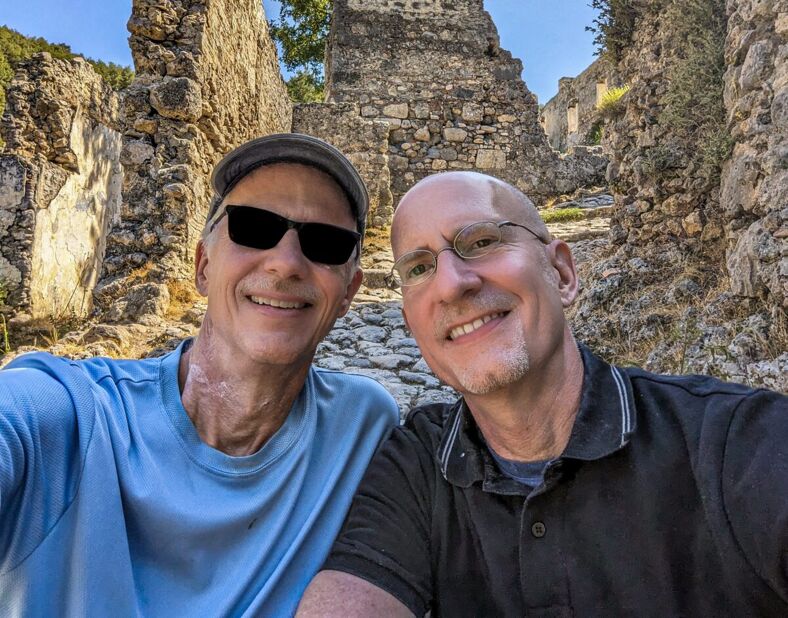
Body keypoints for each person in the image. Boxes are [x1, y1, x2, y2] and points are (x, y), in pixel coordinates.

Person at [298, 171, 788, 617]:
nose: (451, 284)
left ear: (563, 274)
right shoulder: (417, 467)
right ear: (410, 324)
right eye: (421, 268)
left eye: (482, 241)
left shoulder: (735, 445)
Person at [0, 133, 399, 616]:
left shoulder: (362, 425)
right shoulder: (71, 418)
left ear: (349, 292)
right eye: (254, 227)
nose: (287, 262)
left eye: (325, 244)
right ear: (204, 264)